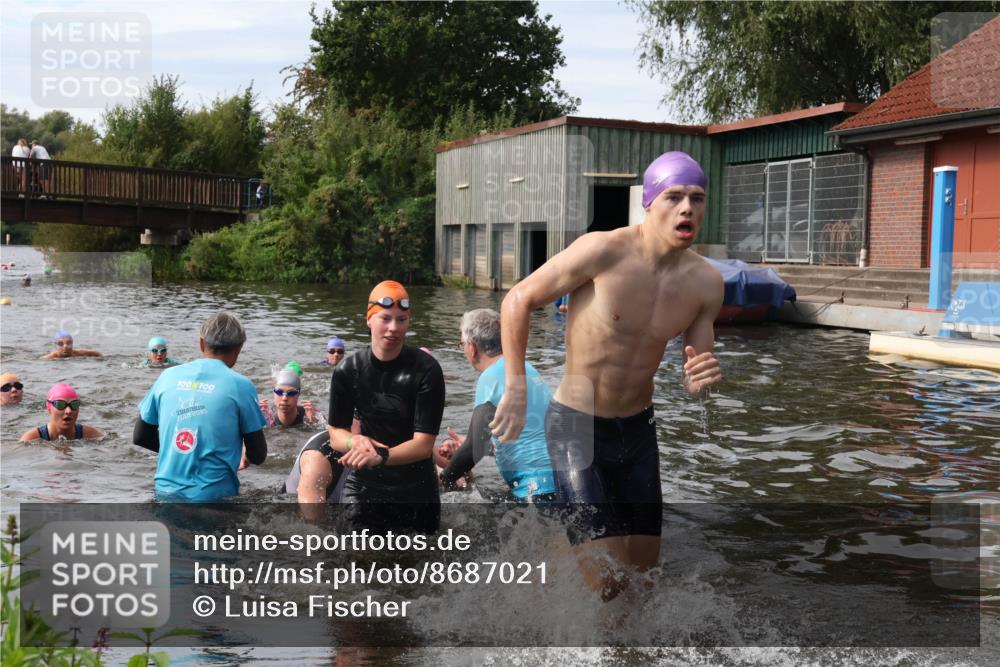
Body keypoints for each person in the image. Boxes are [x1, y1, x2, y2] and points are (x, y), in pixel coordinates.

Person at [490, 151, 724, 599]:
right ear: (649, 204)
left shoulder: (706, 283)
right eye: (674, 197)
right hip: (576, 424)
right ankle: (556, 571)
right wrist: (516, 384)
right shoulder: (603, 251)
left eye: (697, 198)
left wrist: (701, 380)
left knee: (643, 578)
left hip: (638, 431)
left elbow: (695, 373)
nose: (687, 208)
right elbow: (518, 299)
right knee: (609, 580)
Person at [296, 280, 445, 532]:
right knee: (356, 561)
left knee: (420, 564)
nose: (393, 328)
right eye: (385, 318)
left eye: (401, 320)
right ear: (369, 319)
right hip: (365, 485)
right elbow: (335, 435)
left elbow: (423, 446)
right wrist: (354, 442)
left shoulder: (426, 370)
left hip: (416, 487)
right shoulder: (349, 370)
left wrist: (382, 456)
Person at [132, 312, 267, 501]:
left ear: (201, 343)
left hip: (165, 493)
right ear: (239, 348)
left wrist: (181, 450)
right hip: (215, 499)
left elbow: (140, 436)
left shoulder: (167, 376)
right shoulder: (241, 386)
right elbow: (258, 454)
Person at [438, 308, 557, 502]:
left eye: (462, 344)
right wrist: (486, 447)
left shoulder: (491, 376)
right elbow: (528, 436)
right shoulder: (527, 369)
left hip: (537, 488)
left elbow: (474, 446)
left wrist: (444, 480)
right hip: (564, 480)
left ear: (472, 347)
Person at [19, 383, 102, 441]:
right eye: (60, 405)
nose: (68, 411)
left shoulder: (91, 435)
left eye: (74, 404)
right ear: (49, 408)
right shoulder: (31, 438)